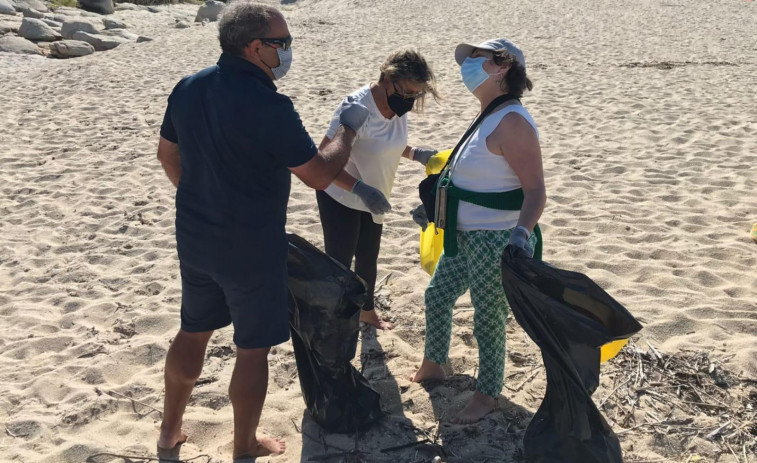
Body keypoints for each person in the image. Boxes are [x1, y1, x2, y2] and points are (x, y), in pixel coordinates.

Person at [155, 2, 369, 460]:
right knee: (252, 349)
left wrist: (200, 196)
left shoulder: (188, 87)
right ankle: (244, 446)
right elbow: (315, 173)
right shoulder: (269, 104)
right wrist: (346, 133)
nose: (288, 51)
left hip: (195, 235)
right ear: (256, 48)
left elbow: (167, 156)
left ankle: (169, 432)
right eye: (283, 43)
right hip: (251, 243)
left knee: (193, 330)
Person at [411, 38, 547, 424]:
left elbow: (536, 190)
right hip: (464, 237)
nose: (467, 65)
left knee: (487, 319)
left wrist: (520, 236)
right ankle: (435, 363)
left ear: (502, 67)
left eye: (477, 58)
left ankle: (487, 394)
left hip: (494, 239)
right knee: (437, 296)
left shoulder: (514, 122)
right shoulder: (488, 114)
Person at [316, 49, 439, 330]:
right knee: (340, 263)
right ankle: (333, 323)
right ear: (387, 78)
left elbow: (381, 143)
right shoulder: (356, 107)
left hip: (374, 194)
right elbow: (322, 160)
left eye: (416, 95)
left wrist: (415, 153)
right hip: (340, 193)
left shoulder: (397, 106)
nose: (410, 101)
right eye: (407, 92)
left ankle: (367, 313)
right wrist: (360, 189)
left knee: (369, 257)